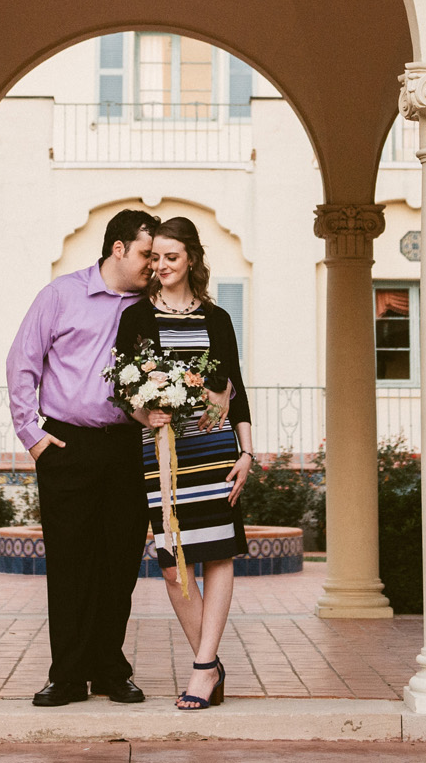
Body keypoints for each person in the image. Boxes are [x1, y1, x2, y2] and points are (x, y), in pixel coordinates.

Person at [5, 207, 159, 707]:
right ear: (118, 248)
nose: (151, 264)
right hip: (66, 445)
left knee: (118, 562)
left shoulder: (148, 305)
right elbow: (21, 364)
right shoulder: (61, 295)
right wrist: (34, 437)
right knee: (71, 564)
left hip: (125, 447)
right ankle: (68, 674)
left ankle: (109, 669)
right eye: (145, 254)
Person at [114, 216, 252, 711]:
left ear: (190, 258)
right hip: (162, 455)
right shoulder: (136, 316)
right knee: (175, 564)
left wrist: (247, 453)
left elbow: (236, 386)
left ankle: (201, 668)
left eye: (170, 257)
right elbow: (120, 388)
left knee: (216, 554)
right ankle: (211, 667)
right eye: (155, 258)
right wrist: (142, 411)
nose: (161, 266)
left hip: (214, 452)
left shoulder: (217, 318)